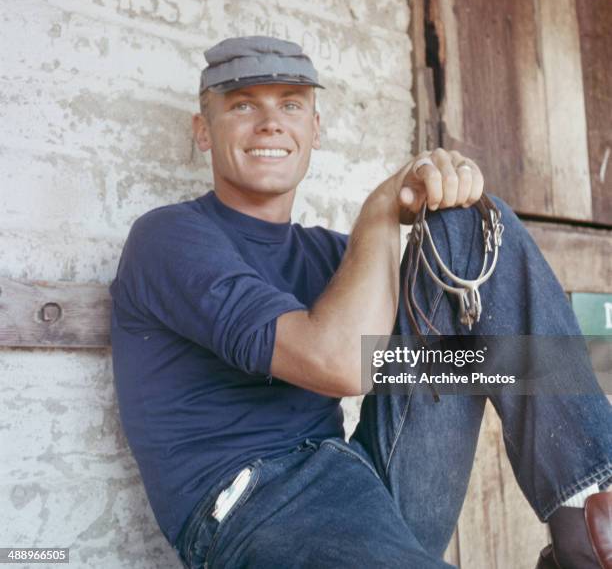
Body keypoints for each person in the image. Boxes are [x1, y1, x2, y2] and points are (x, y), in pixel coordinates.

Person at [109, 36, 612, 569]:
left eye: (291, 104)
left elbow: (413, 360)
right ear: (203, 131)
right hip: (254, 509)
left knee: (468, 224)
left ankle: (591, 510)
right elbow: (345, 364)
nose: (270, 123)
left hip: (359, 476)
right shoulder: (168, 238)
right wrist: (382, 208)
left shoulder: (329, 255)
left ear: (315, 130)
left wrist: (525, 360)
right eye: (242, 105)